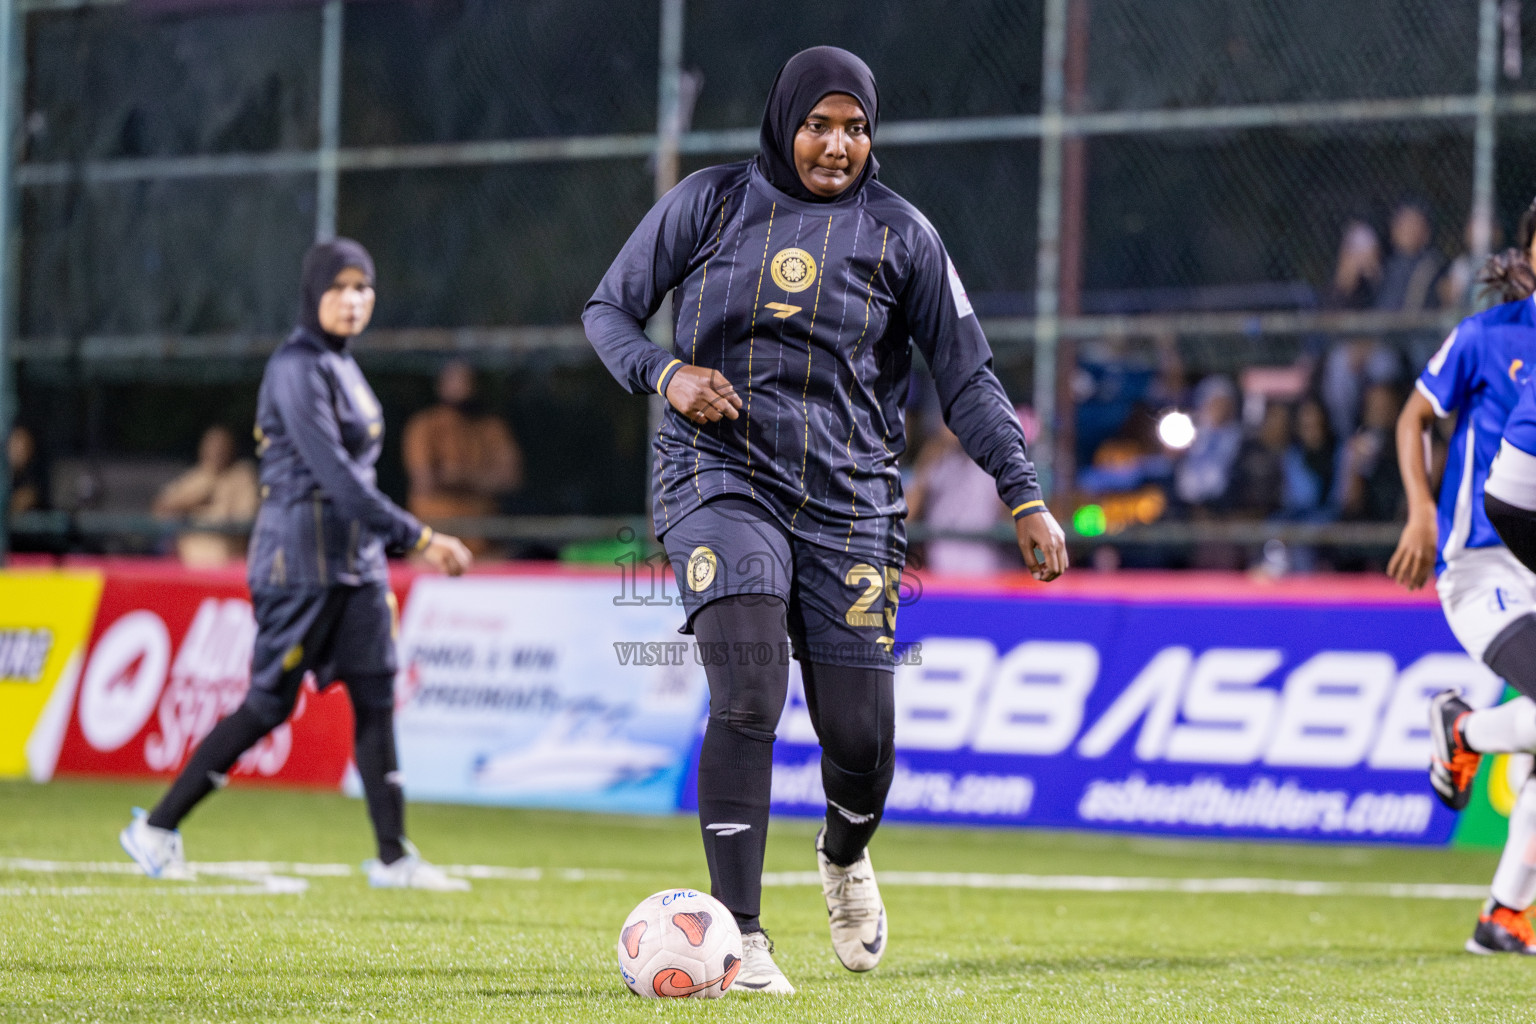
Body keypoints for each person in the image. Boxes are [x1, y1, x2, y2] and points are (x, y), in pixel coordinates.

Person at [583, 46, 1067, 994]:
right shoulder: (710, 203)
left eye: (853, 128)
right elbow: (610, 310)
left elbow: (966, 376)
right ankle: (743, 937)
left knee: (860, 744)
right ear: (783, 123)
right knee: (751, 691)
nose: (836, 145)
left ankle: (844, 852)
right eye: (818, 125)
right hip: (715, 477)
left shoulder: (903, 236)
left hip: (851, 504)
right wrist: (666, 372)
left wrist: (1023, 490)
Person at [120, 238, 476, 890]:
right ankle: (156, 827)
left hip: (356, 564)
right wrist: (420, 536)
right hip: (299, 564)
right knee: (268, 705)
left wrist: (385, 544)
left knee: (375, 697)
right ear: (314, 294)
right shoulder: (296, 367)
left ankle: (393, 858)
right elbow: (338, 479)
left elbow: (355, 480)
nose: (353, 300)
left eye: (363, 288)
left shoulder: (342, 364)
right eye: (340, 288)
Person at [1389, 197, 1536, 955]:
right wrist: (1419, 511)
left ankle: (1502, 917)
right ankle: (1465, 729)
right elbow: (1413, 417)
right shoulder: (1489, 337)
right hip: (1484, 564)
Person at [401, 359, 523, 557]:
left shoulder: (492, 428)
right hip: (435, 544)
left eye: (468, 379)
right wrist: (480, 479)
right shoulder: (424, 425)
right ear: (440, 385)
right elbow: (425, 481)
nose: (462, 385)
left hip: (483, 543)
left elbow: (510, 479)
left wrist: (461, 477)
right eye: (455, 379)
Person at [906, 422, 1009, 575]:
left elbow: (1012, 521)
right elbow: (905, 518)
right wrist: (933, 452)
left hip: (986, 574)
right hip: (940, 572)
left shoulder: (993, 458)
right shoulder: (935, 457)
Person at [151, 424, 260, 568]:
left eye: (221, 445)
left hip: (229, 566)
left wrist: (214, 510)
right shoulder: (196, 476)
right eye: (211, 445)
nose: (216, 450)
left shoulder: (243, 475)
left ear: (232, 448)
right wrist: (191, 502)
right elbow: (160, 507)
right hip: (188, 565)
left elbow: (245, 517)